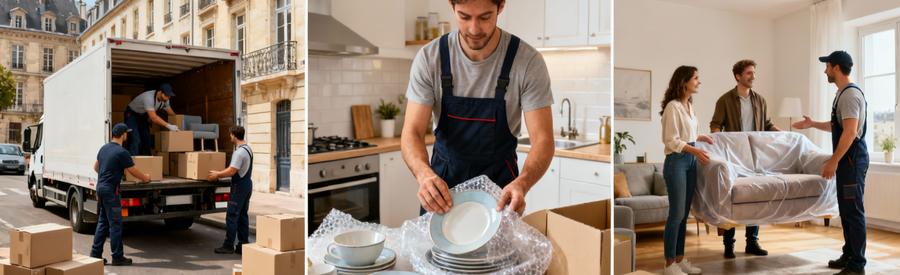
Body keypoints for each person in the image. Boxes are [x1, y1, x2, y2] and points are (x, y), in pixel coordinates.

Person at [401, 0, 554, 215]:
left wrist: (523, 183)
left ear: (501, 6)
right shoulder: (430, 58)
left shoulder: (527, 61)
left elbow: (543, 140)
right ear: (452, 6)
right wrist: (423, 175)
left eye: (485, 17)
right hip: (442, 191)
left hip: (500, 193)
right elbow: (412, 132)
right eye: (464, 17)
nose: (474, 29)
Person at [792, 50, 868, 275]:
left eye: (827, 66)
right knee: (845, 209)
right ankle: (849, 254)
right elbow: (838, 126)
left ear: (836, 67)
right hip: (848, 160)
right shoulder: (842, 94)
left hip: (852, 160)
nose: (825, 70)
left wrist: (833, 161)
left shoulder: (850, 95)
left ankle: (857, 264)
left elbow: (851, 132)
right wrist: (813, 124)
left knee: (853, 210)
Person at [709, 59, 775, 259]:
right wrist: (719, 145)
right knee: (732, 199)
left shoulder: (760, 100)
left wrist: (784, 134)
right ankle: (728, 245)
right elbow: (715, 125)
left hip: (755, 157)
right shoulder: (724, 100)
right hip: (733, 156)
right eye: (749, 73)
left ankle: (752, 242)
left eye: (754, 72)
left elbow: (767, 124)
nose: (753, 76)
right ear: (738, 76)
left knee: (755, 197)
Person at [660, 66, 713, 275]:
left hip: (690, 161)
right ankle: (669, 264)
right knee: (676, 214)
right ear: (684, 81)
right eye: (696, 78)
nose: (699, 82)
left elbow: (686, 135)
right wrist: (695, 150)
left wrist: (700, 138)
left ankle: (680, 260)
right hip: (677, 162)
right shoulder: (672, 107)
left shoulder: (689, 105)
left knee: (684, 214)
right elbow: (671, 140)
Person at [90, 123, 150, 266]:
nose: (127, 135)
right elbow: (132, 170)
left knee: (103, 222)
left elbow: (96, 167)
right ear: (123, 135)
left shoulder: (104, 148)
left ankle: (95, 255)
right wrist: (145, 178)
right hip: (111, 191)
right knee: (115, 225)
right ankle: (117, 257)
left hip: (101, 188)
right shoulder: (122, 152)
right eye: (126, 133)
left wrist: (109, 172)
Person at [209, 126, 253, 254]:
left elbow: (232, 170)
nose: (230, 137)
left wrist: (217, 174)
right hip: (247, 185)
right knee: (242, 216)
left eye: (230, 135)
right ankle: (243, 245)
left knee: (232, 215)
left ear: (233, 135)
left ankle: (228, 246)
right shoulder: (248, 149)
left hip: (239, 187)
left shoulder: (239, 152)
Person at [124, 83, 180, 156]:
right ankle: (131, 161)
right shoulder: (148, 98)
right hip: (132, 114)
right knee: (135, 140)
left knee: (147, 140)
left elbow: (170, 112)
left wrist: (179, 122)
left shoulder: (165, 100)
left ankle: (148, 160)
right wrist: (169, 126)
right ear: (160, 92)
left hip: (143, 116)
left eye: (169, 96)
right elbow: (153, 118)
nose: (167, 98)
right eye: (166, 95)